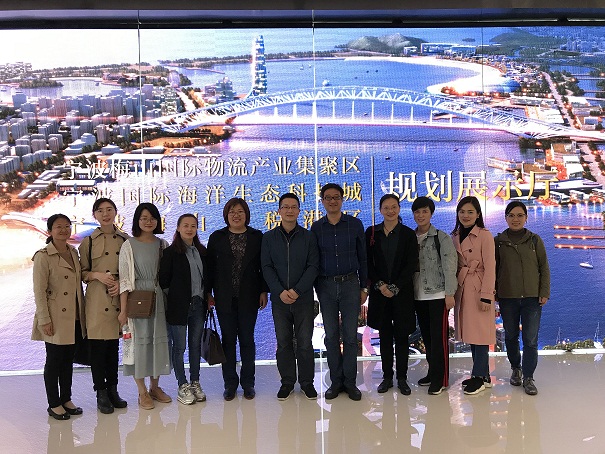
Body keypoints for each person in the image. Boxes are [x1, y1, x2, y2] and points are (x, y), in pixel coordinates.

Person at [206, 198, 268, 401]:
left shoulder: (257, 237)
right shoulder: (217, 237)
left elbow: (263, 267)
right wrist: (208, 293)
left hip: (249, 297)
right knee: (228, 341)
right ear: (226, 215)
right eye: (232, 211)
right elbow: (210, 269)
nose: (236, 215)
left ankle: (248, 383)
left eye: (240, 211)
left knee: (247, 340)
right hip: (224, 297)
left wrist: (263, 291)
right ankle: (230, 383)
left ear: (246, 214)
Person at [311, 183, 368, 401]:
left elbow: (363, 258)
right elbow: (314, 260)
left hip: (350, 284)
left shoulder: (354, 224)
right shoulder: (317, 228)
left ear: (342, 200)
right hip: (325, 285)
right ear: (322, 201)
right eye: (328, 198)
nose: (332, 201)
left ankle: (350, 382)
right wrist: (317, 288)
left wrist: (364, 287)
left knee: (351, 336)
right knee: (331, 335)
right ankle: (336, 382)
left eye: (336, 197)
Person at [261, 193, 319, 400]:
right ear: (279, 211)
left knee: (304, 342)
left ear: (299, 211)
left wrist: (297, 290)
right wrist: (279, 291)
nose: (289, 210)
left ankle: (307, 383)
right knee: (283, 342)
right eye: (285, 207)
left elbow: (313, 266)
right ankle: (287, 382)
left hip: (303, 299)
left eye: (293, 207)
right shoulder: (268, 238)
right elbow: (266, 267)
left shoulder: (308, 237)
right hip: (280, 300)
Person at [32, 213, 86, 420]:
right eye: (58, 227)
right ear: (50, 231)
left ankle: (66, 399)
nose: (63, 230)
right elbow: (39, 291)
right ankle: (54, 403)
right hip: (54, 316)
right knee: (54, 360)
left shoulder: (73, 251)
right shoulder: (43, 256)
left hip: (74, 315)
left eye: (67, 226)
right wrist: (44, 319)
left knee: (67, 360)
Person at [118, 203, 172, 410]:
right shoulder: (129, 245)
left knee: (157, 343)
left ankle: (155, 387)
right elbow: (124, 280)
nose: (148, 222)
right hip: (137, 299)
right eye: (144, 218)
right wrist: (123, 311)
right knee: (139, 345)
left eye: (152, 218)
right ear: (137, 221)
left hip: (159, 299)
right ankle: (142, 392)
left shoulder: (163, 244)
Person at [79, 198, 129, 414]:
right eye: (100, 211)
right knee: (98, 349)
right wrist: (97, 275)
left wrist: (120, 283)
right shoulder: (88, 241)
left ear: (116, 212)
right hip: (97, 299)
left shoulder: (125, 240)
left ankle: (113, 390)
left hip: (118, 297)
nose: (105, 214)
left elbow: (130, 271)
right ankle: (101, 393)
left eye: (109, 210)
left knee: (113, 348)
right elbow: (82, 273)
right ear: (95, 215)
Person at [495, 201, 550, 396]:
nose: (515, 219)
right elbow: (494, 269)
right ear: (506, 218)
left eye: (519, 215)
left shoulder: (535, 240)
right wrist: (495, 293)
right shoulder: (498, 242)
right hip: (507, 297)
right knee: (510, 336)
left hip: (531, 298)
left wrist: (544, 292)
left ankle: (528, 377)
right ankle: (515, 369)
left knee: (530, 340)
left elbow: (544, 267)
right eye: (511, 215)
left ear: (526, 218)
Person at [366, 194, 418, 395]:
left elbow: (411, 264)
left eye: (394, 207)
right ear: (380, 210)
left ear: (399, 208)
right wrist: (380, 285)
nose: (390, 211)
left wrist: (395, 287)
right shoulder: (372, 233)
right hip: (380, 294)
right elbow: (367, 262)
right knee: (385, 336)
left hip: (402, 293)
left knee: (402, 336)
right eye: (386, 207)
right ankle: (387, 377)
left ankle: (402, 378)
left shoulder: (408, 234)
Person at [159, 213, 208, 405]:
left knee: (195, 346)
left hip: (198, 305)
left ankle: (195, 382)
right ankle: (182, 385)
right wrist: (177, 298)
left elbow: (207, 279)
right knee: (179, 347)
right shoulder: (170, 253)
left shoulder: (202, 252)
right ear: (178, 228)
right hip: (178, 307)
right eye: (185, 225)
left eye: (193, 226)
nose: (189, 229)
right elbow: (164, 281)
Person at [411, 196, 458, 396]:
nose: (421, 215)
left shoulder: (441, 238)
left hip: (438, 295)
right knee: (428, 339)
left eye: (425, 211)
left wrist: (450, 293)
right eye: (417, 212)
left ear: (431, 213)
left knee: (439, 340)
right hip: (418, 296)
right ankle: (432, 373)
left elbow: (450, 267)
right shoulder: (411, 237)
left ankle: (441, 379)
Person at [451, 196, 496, 395]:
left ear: (478, 214)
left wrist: (487, 295)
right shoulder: (455, 235)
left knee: (480, 335)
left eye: (470, 212)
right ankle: (483, 376)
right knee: (471, 334)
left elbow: (490, 267)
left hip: (478, 289)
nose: (466, 215)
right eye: (462, 212)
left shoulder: (485, 235)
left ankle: (478, 377)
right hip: (463, 288)